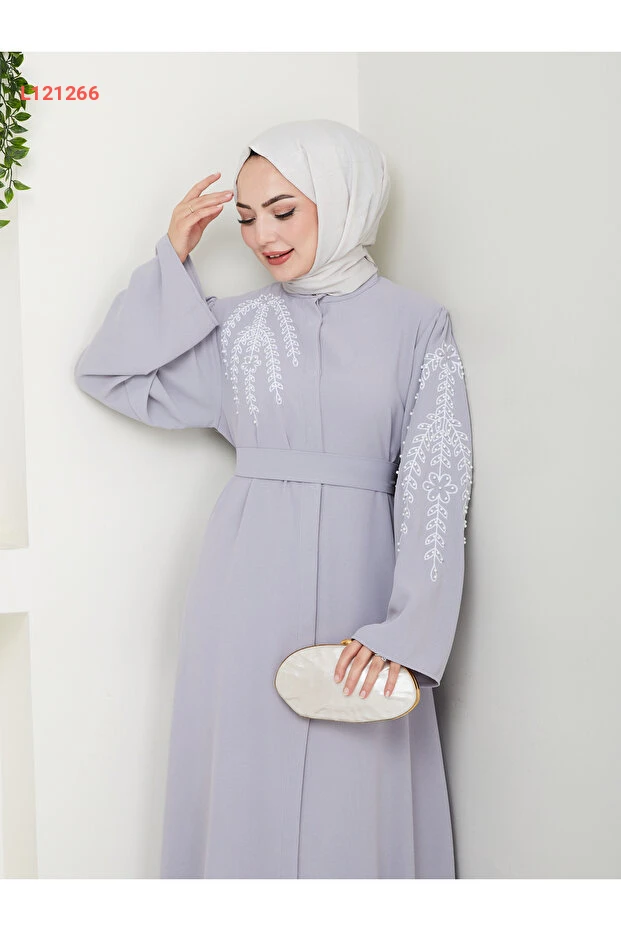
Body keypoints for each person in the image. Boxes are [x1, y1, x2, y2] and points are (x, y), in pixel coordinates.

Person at [74, 118, 474, 879]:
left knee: (356, 786)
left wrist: (409, 630)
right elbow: (111, 374)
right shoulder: (240, 326)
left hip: (366, 576)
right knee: (246, 772)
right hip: (246, 581)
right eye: (247, 217)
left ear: (344, 199)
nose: (262, 236)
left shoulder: (417, 325)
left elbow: (437, 482)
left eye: (283, 210)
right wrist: (173, 261)